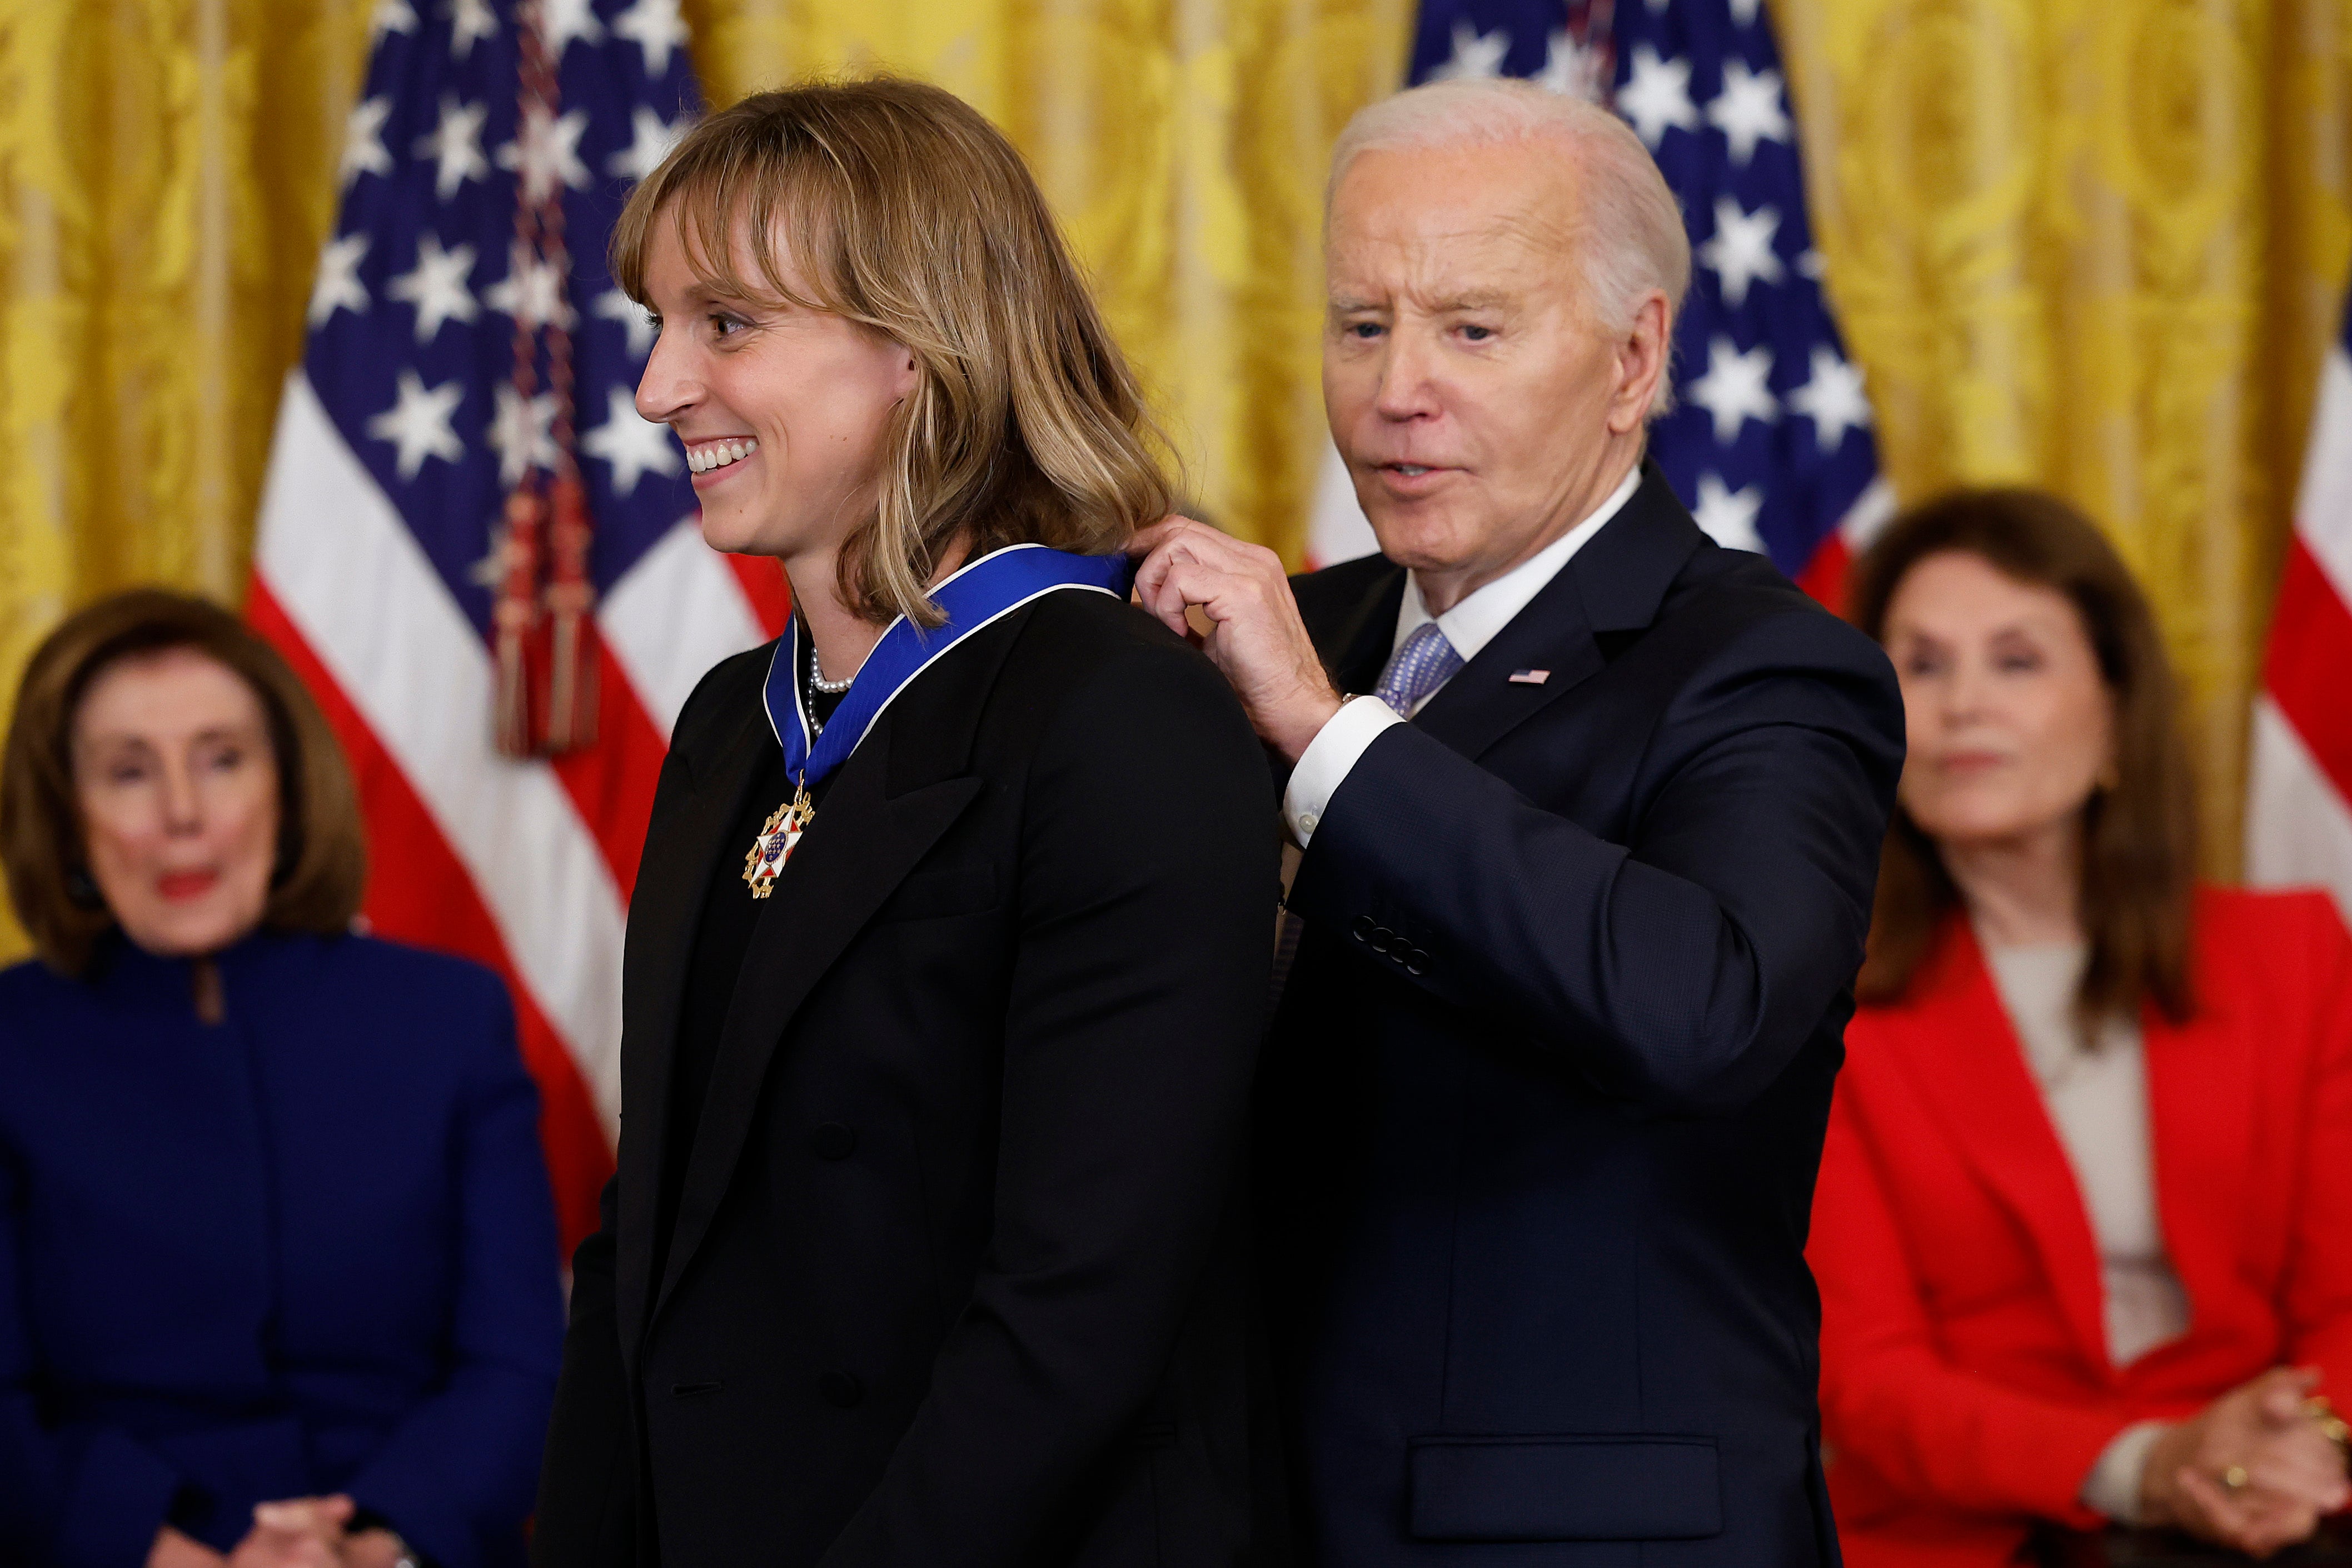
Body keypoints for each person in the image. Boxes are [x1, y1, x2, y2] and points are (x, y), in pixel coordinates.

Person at [1129, 78, 1906, 1566]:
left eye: (1472, 329)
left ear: (1634, 358)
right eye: (1363, 325)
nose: (1396, 387)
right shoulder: (1305, 630)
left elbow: (1704, 1005)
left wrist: (1329, 741)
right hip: (1245, 1508)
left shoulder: (1767, 664)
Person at [528, 80, 1279, 1566]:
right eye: (660, 324)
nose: (658, 388)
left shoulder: (1121, 712)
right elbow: (652, 1229)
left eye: (728, 324)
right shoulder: (729, 721)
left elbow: (1080, 1304)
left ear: (917, 348)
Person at [1806, 487, 2352, 1567]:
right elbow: (1869, 1382)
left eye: (2014, 660)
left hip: (2282, 1509)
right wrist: (2147, 1465)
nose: (1962, 704)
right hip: (1978, 1526)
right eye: (1920, 663)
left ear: (2113, 712)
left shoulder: (2291, 955)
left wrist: (2303, 1447)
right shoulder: (1820, 1007)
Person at [0, 590, 564, 1568]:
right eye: (129, 772)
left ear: (289, 786)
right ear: (66, 812)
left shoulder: (449, 1019)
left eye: (222, 759)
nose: (184, 814)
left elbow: (516, 1369)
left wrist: (372, 1542)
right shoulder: (13, 1040)